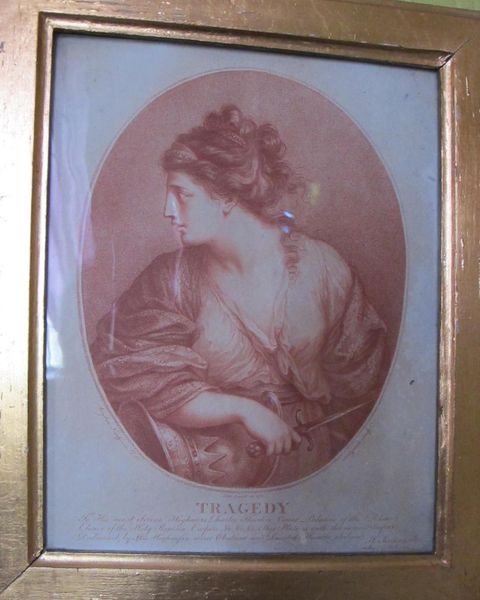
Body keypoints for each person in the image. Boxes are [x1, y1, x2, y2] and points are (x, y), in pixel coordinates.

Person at [91, 105, 387, 488]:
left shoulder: (323, 268)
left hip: (314, 475)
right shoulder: (170, 280)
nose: (167, 210)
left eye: (182, 194)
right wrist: (243, 410)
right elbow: (133, 375)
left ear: (226, 197)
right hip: (213, 478)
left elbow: (360, 387)